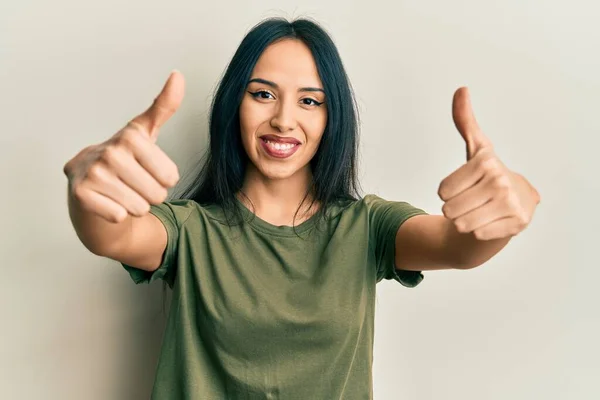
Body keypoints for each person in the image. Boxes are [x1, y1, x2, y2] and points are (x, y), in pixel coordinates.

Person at [63, 17, 540, 400]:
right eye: (263, 93)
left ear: (333, 119)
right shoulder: (190, 230)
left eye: (310, 101)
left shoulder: (367, 227)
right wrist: (89, 189)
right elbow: (112, 234)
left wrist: (506, 209)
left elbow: (458, 246)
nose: (284, 120)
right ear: (235, 104)